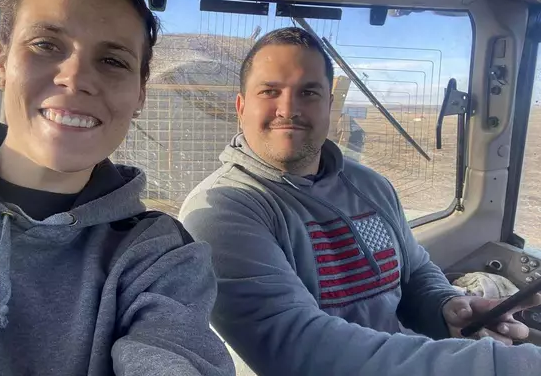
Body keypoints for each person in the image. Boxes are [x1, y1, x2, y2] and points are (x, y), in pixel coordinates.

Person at [0, 0, 234, 375]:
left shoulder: (159, 254)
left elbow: (171, 355)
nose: (75, 78)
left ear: (140, 95)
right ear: (1, 62)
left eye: (112, 61)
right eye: (45, 45)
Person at [179, 26, 541, 376]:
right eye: (270, 91)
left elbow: (415, 271)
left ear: (330, 106)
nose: (288, 108)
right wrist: (496, 366)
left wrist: (447, 306)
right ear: (241, 106)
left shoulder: (371, 186)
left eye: (309, 92)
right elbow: (297, 347)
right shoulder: (222, 210)